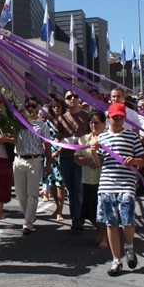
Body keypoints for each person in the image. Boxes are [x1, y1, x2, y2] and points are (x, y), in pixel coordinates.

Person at [90, 103, 144, 276]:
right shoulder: (102, 138)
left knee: (127, 220)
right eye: (115, 117)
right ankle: (116, 260)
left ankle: (129, 247)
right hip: (107, 184)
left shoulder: (132, 136)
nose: (118, 120)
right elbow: (98, 164)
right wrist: (94, 152)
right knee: (111, 223)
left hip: (126, 184)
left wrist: (135, 161)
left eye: (121, 117)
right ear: (109, 118)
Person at [14, 97, 50, 235]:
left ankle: (28, 223)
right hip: (18, 159)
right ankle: (29, 215)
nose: (30, 108)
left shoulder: (42, 126)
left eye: (33, 106)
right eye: (28, 106)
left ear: (38, 108)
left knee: (32, 193)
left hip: (34, 159)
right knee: (20, 194)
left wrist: (48, 163)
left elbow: (47, 145)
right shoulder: (18, 122)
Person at [56, 90, 91, 232]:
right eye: (69, 97)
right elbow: (58, 136)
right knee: (70, 189)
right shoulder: (62, 118)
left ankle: (78, 219)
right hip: (65, 155)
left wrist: (81, 141)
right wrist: (60, 141)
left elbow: (93, 135)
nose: (72, 99)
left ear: (79, 99)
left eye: (75, 96)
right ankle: (76, 216)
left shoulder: (87, 116)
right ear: (65, 101)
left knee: (78, 188)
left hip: (81, 155)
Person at [73, 111, 107, 249]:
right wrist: (86, 160)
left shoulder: (108, 138)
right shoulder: (83, 139)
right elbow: (76, 157)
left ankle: (104, 236)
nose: (94, 125)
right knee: (90, 212)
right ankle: (100, 231)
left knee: (103, 210)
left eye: (97, 122)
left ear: (104, 123)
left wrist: (99, 161)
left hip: (104, 180)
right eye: (91, 122)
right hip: (87, 179)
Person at [43, 101, 66, 219]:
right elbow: (44, 139)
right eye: (54, 106)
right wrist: (48, 155)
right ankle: (57, 207)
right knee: (51, 182)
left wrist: (57, 152)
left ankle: (60, 211)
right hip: (49, 155)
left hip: (62, 154)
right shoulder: (47, 123)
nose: (56, 108)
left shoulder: (66, 121)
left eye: (58, 106)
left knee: (60, 184)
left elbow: (68, 139)